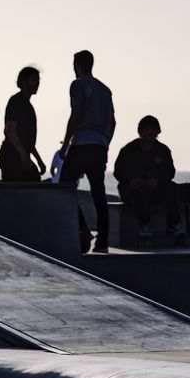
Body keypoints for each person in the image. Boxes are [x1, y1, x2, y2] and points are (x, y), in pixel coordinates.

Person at [60, 50, 116, 254]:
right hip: (99, 146)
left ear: (77, 65)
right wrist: (105, 144)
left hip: (81, 144)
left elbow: (75, 115)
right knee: (98, 193)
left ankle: (82, 229)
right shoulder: (105, 90)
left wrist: (65, 145)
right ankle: (102, 241)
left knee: (63, 190)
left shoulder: (78, 85)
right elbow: (113, 122)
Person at [113, 115, 180, 238]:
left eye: (153, 128)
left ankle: (173, 225)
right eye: (147, 128)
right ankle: (145, 226)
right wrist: (130, 180)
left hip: (155, 189)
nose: (150, 132)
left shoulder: (163, 150)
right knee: (137, 192)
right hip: (133, 189)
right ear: (141, 131)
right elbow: (118, 171)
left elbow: (170, 172)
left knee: (173, 188)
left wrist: (157, 181)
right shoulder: (128, 150)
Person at [0, 65, 46, 182]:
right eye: (34, 79)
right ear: (24, 81)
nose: (37, 83)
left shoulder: (27, 106)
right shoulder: (16, 101)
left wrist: (38, 159)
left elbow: (27, 140)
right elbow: (10, 130)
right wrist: (24, 156)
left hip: (20, 154)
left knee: (34, 179)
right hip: (11, 156)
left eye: (38, 80)